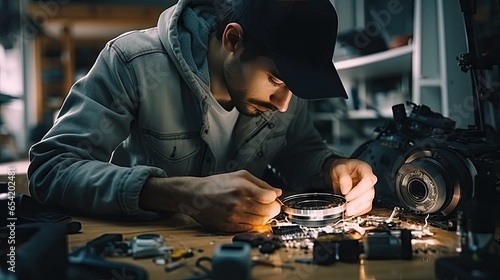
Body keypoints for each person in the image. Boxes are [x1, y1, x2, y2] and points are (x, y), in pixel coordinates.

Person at [28, 0, 377, 232]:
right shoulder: (133, 63)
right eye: (276, 80)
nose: (285, 103)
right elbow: (51, 170)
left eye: (294, 88)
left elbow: (299, 150)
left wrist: (332, 168)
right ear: (233, 40)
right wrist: (178, 194)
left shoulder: (285, 93)